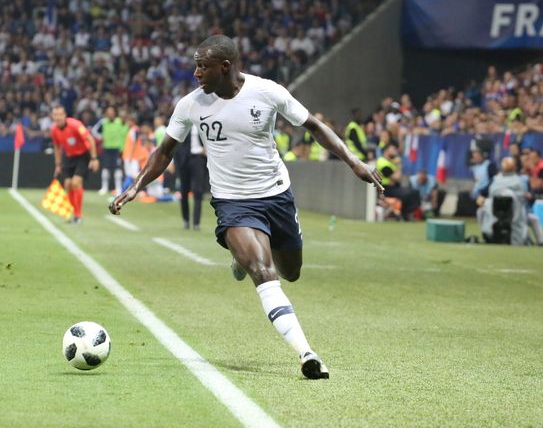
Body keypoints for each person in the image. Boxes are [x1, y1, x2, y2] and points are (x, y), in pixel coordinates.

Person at [109, 35, 383, 379]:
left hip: (276, 196)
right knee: (263, 272)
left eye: (202, 66)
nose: (195, 73)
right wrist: (135, 187)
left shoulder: (267, 92)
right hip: (232, 202)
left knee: (291, 271)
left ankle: (241, 257)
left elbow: (313, 126)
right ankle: (307, 353)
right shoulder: (190, 105)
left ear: (225, 67)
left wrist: (354, 161)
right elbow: (165, 151)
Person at [50, 105, 99, 224]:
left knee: (76, 182)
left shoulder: (75, 125)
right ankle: (74, 214)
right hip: (68, 157)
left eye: (60, 114)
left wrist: (94, 158)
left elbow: (90, 139)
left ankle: (78, 215)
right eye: (55, 115)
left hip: (82, 156)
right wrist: (58, 164)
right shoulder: (54, 130)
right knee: (67, 184)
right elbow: (57, 147)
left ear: (65, 115)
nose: (58, 117)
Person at [376, 143, 421, 221]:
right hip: (386, 189)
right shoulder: (382, 162)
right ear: (386, 151)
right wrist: (399, 165)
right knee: (407, 194)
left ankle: (405, 213)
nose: (395, 151)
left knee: (414, 192)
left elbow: (399, 178)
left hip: (394, 187)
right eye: (393, 149)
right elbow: (396, 178)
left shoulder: (390, 162)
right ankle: (403, 214)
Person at [175, 125, 208, 230]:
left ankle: (196, 223)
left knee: (197, 191)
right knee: (184, 191)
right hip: (184, 161)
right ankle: (186, 220)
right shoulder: (185, 125)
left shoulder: (201, 124)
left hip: (198, 159)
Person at [95, 106, 129, 195]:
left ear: (115, 113)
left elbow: (127, 131)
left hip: (118, 149)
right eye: (108, 112)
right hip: (106, 148)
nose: (110, 113)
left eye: (111, 111)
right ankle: (104, 188)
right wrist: (101, 138)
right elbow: (94, 131)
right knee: (106, 168)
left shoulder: (120, 121)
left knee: (117, 169)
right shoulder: (103, 122)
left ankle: (118, 188)